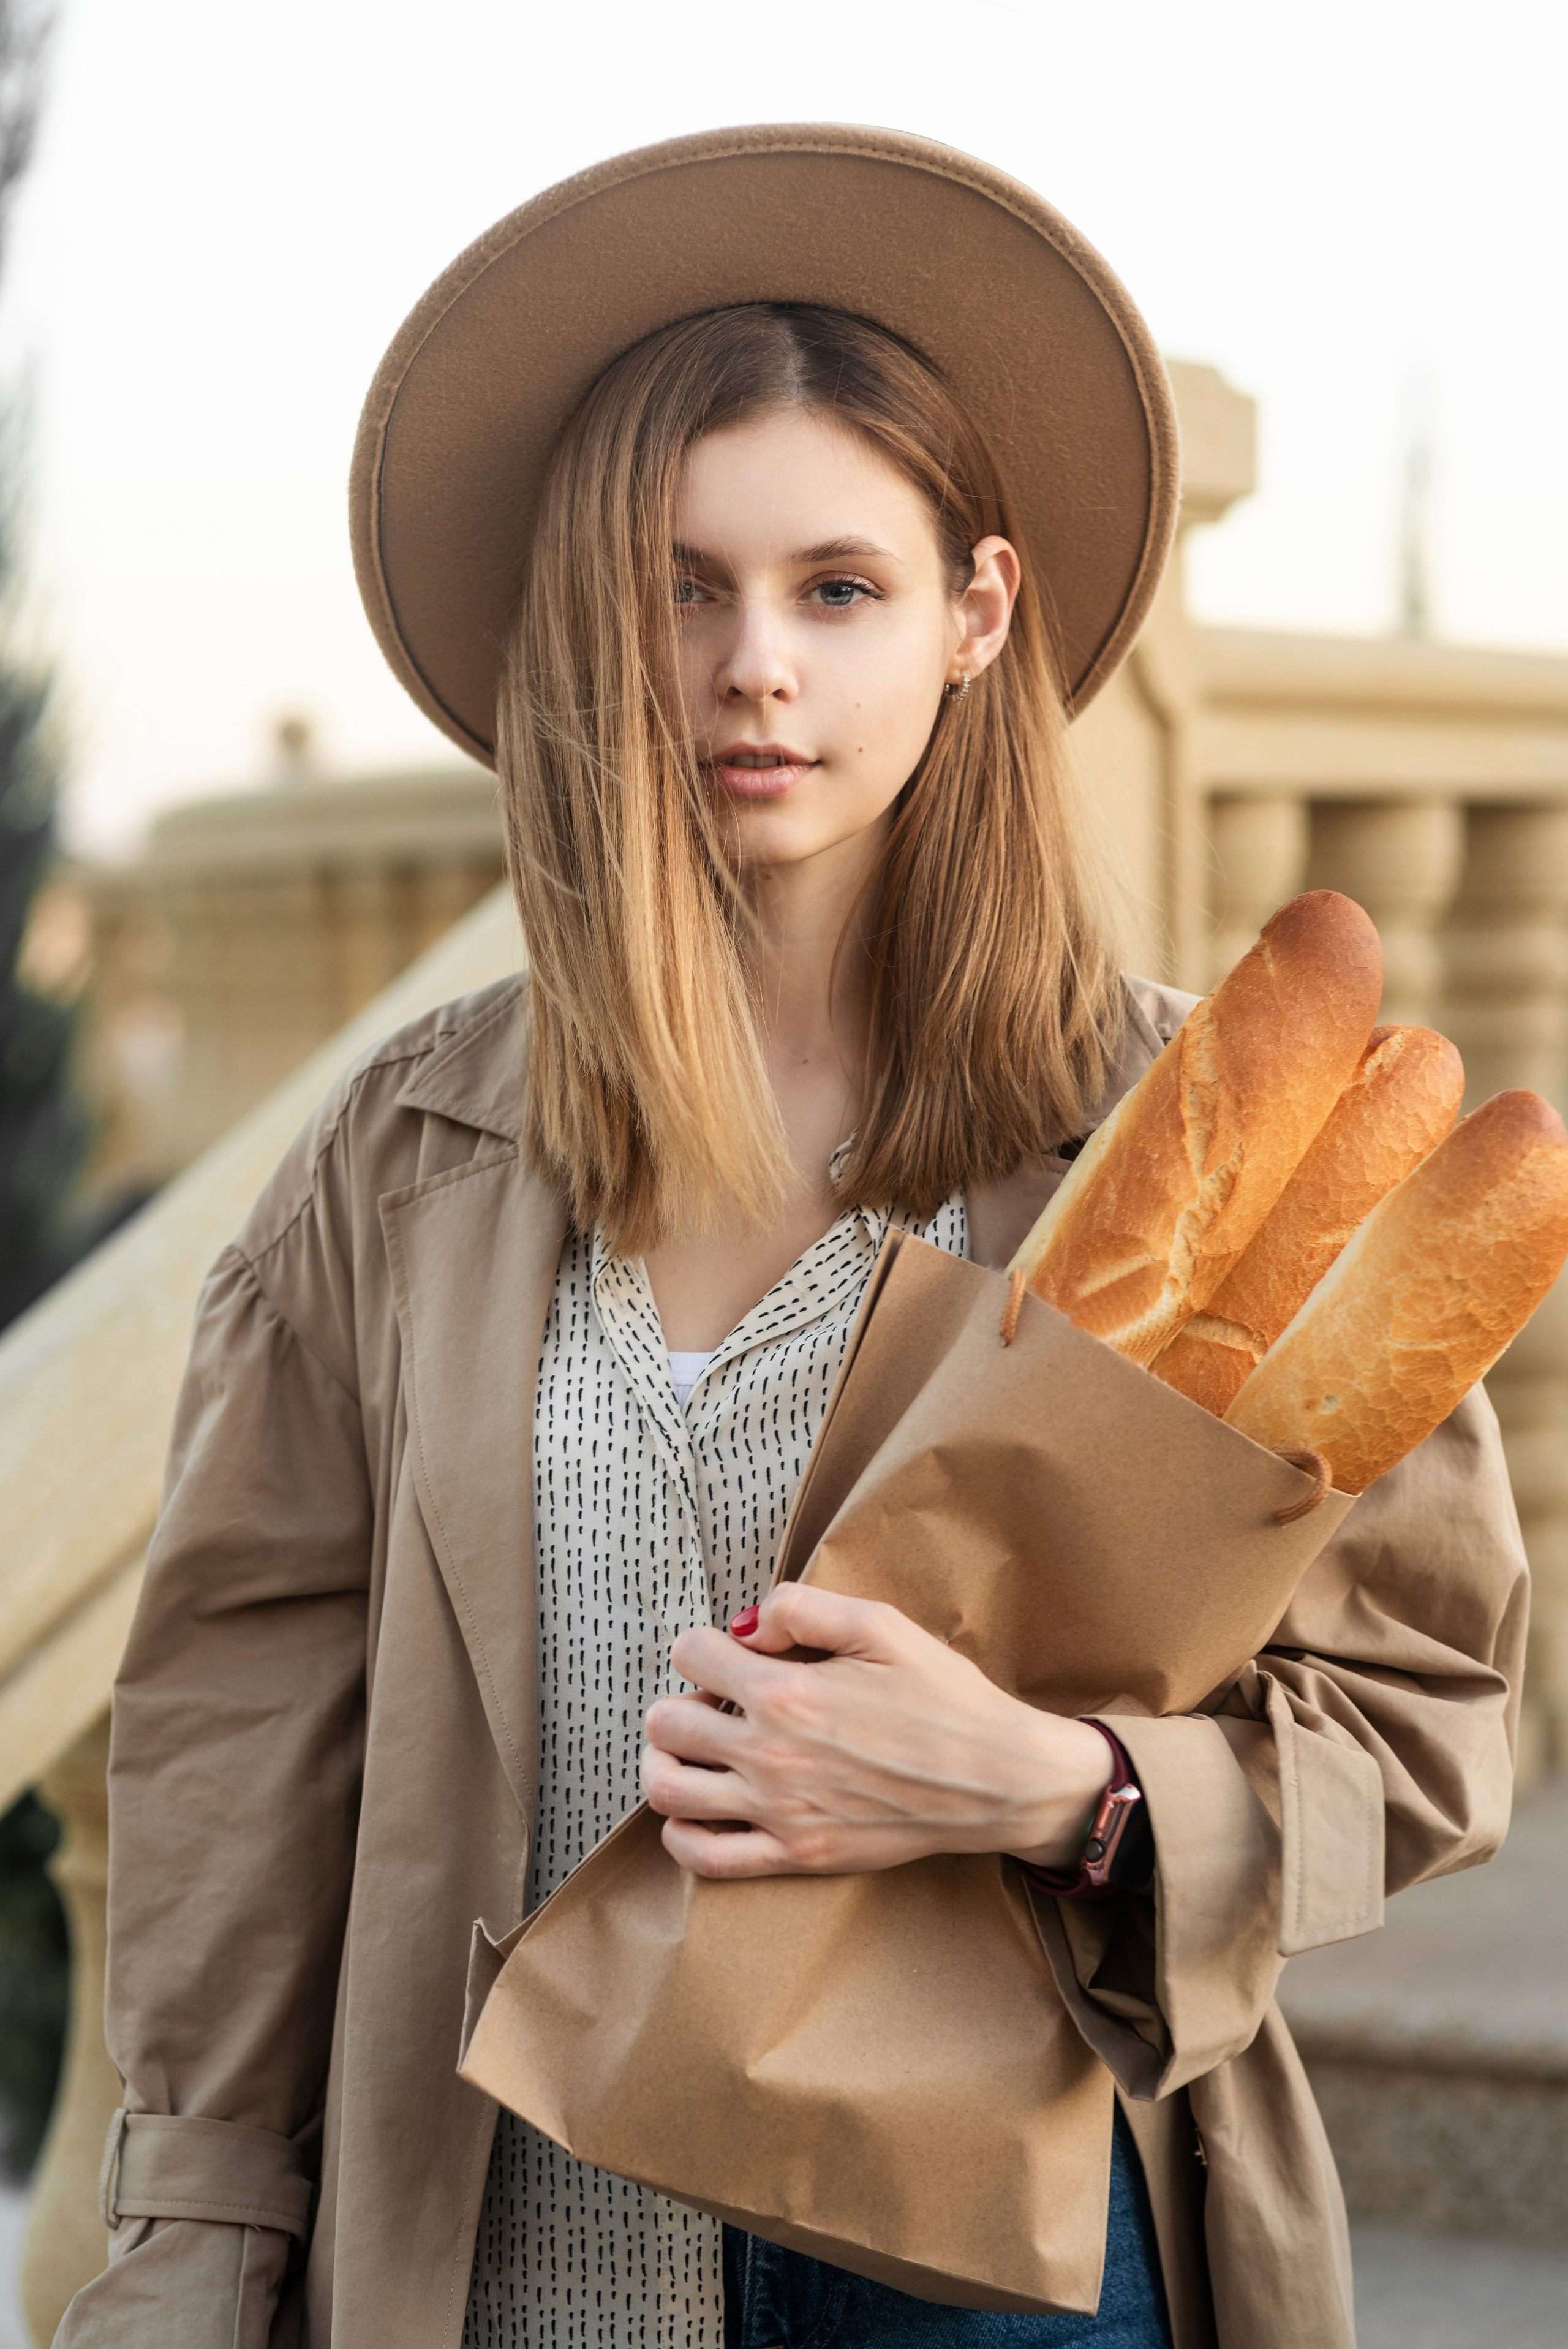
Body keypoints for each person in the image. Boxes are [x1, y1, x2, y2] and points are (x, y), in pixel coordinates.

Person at [58, 127, 1525, 2349]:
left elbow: (1428, 1712)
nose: (757, 666)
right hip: (507, 2252)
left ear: (976, 613)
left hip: (1013, 2265)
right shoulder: (400, 1159)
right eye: (684, 585)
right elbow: (233, 1759)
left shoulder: (1180, 1142)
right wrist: (186, 2254)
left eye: (838, 586)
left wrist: (1060, 1785)